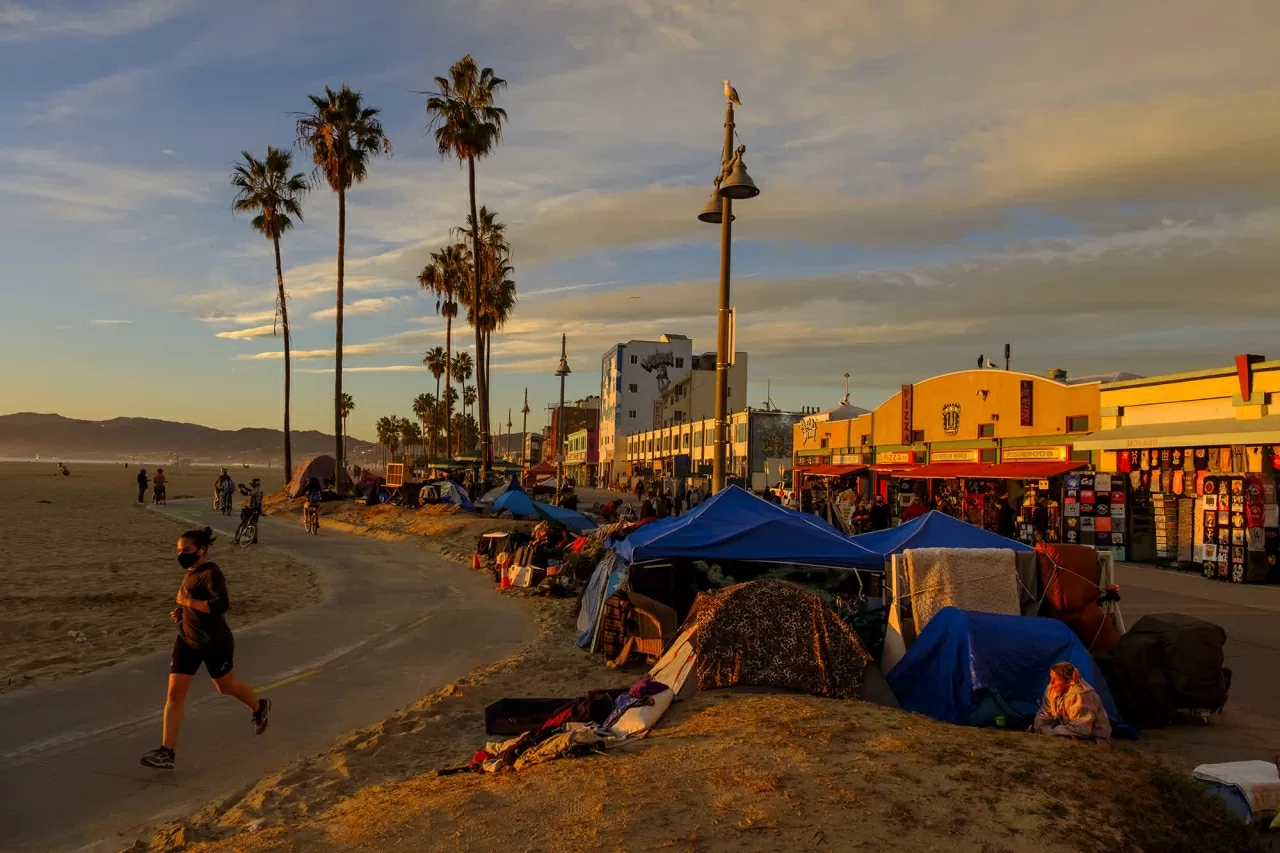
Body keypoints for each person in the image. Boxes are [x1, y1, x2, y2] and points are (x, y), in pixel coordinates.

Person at [140, 527, 271, 769]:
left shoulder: (211, 573)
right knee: (174, 694)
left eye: (186, 550)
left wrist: (189, 602)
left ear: (201, 550)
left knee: (225, 687)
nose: (181, 555)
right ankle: (166, 751)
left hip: (214, 642)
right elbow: (195, 603)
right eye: (179, 551)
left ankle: (259, 706)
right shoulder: (191, 571)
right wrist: (182, 613)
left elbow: (221, 604)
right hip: (187, 639)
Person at [1033, 662, 1111, 743]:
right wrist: (1040, 726)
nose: (1051, 683)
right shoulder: (1052, 689)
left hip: (1094, 739)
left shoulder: (1081, 696)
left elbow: (1081, 728)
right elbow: (1045, 712)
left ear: (1069, 682)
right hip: (1067, 730)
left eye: (1056, 679)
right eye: (1051, 678)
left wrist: (1049, 731)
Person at [236, 478, 263, 543]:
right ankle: (254, 538)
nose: (252, 486)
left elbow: (246, 493)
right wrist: (244, 487)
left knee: (248, 522)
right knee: (254, 523)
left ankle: (246, 536)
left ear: (254, 485)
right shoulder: (258, 490)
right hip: (258, 509)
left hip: (254, 509)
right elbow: (250, 491)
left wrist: (240, 490)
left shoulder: (256, 491)